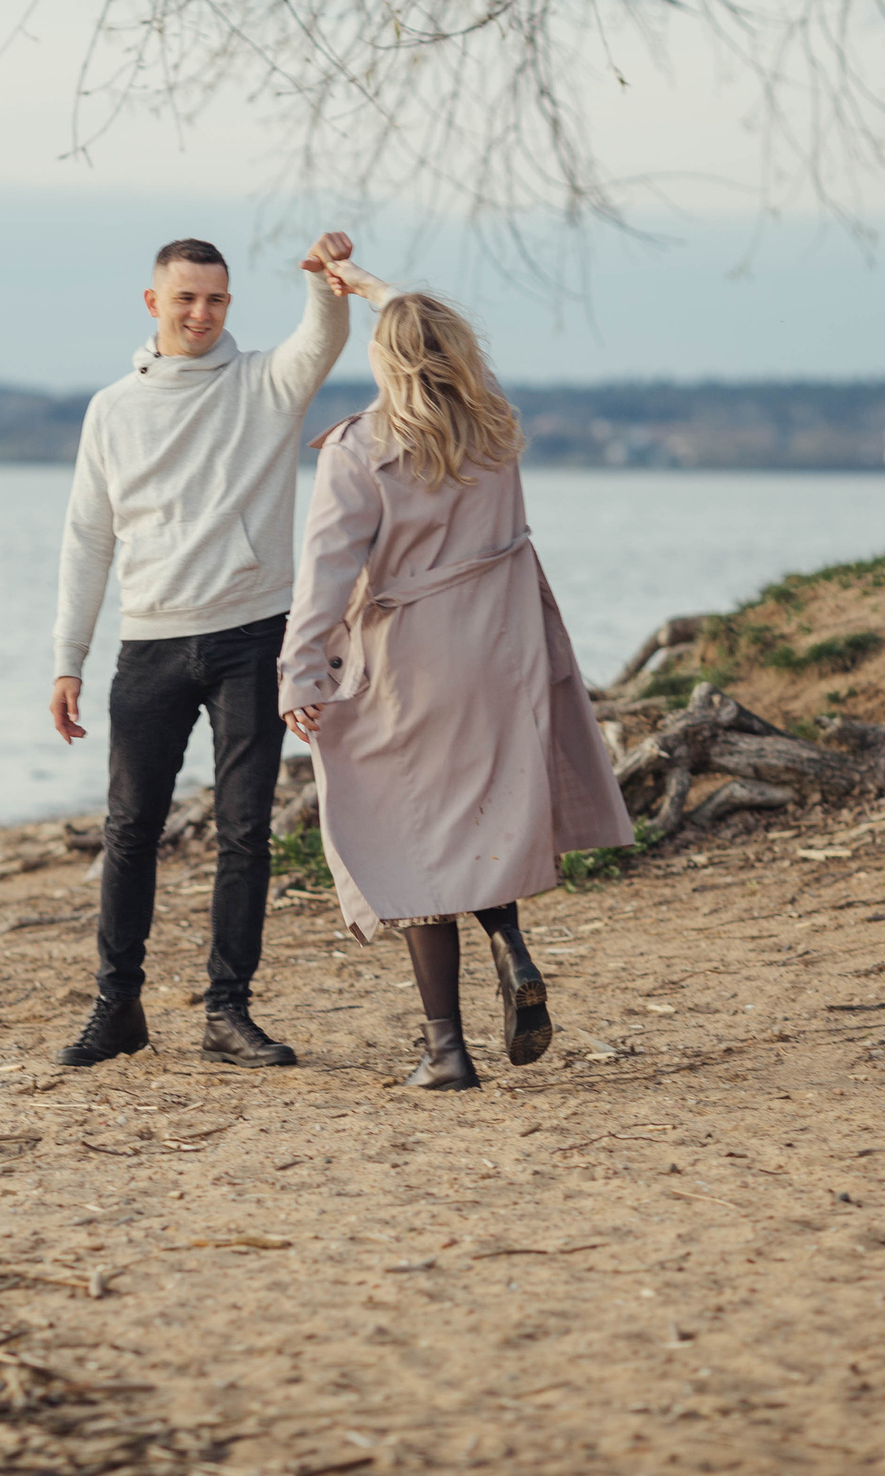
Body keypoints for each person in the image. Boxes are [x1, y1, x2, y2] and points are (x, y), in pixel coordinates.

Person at [278, 261, 633, 1091]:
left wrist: (300, 672)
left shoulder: (362, 448)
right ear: (457, 353)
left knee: (409, 840)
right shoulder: (496, 425)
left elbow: (324, 571)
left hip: (413, 662)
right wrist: (370, 286)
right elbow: (423, 327)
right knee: (481, 817)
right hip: (505, 650)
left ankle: (447, 1050)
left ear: (384, 358)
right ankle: (507, 943)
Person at [48, 231, 356, 1069]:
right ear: (154, 303)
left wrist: (327, 283)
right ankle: (117, 1009)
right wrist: (67, 657)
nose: (200, 313)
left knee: (245, 830)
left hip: (252, 635)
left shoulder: (264, 383)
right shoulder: (113, 408)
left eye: (215, 299)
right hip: (147, 640)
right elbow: (87, 536)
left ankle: (227, 1011)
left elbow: (321, 340)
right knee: (129, 829)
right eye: (185, 298)